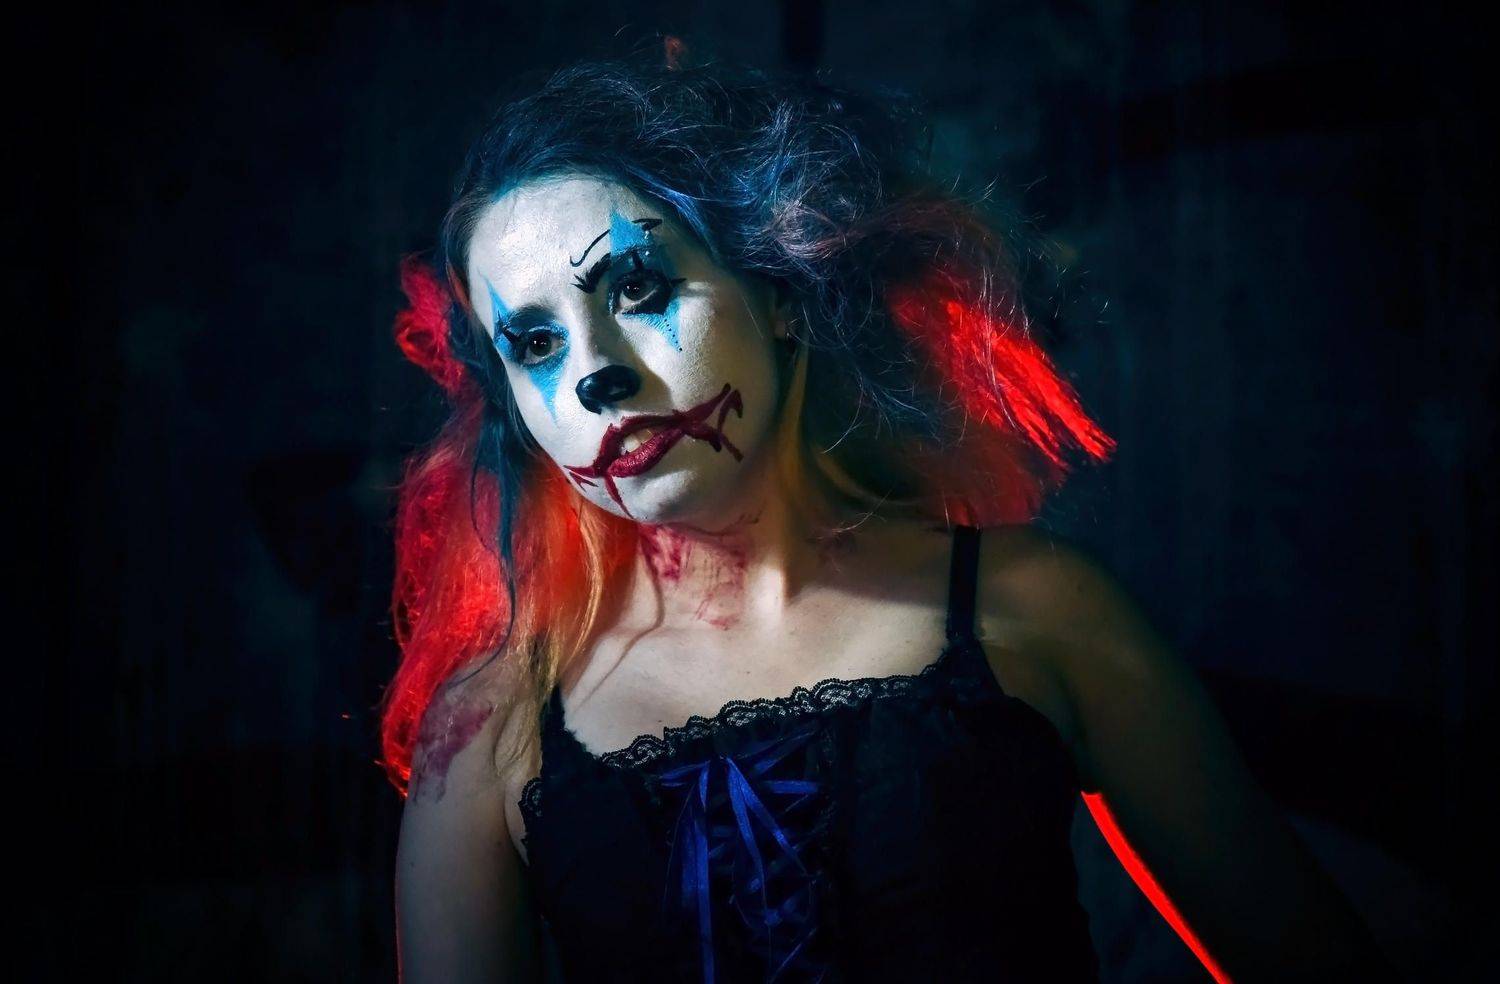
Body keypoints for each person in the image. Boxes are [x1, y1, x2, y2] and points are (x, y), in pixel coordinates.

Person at [384, 43, 1385, 983]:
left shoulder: (1038, 609)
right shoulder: (488, 728)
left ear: (777, 290)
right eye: (535, 345)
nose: (595, 375)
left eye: (638, 288)